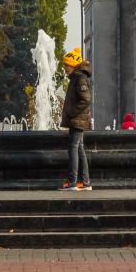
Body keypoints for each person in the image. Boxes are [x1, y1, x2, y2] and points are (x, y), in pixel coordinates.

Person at [59, 48, 92, 191]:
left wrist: (71, 112)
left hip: (77, 119)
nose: (65, 68)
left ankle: (73, 182)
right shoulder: (77, 78)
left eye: (66, 65)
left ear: (73, 64)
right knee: (79, 148)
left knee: (73, 148)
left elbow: (86, 99)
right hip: (77, 119)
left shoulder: (80, 78)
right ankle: (85, 182)